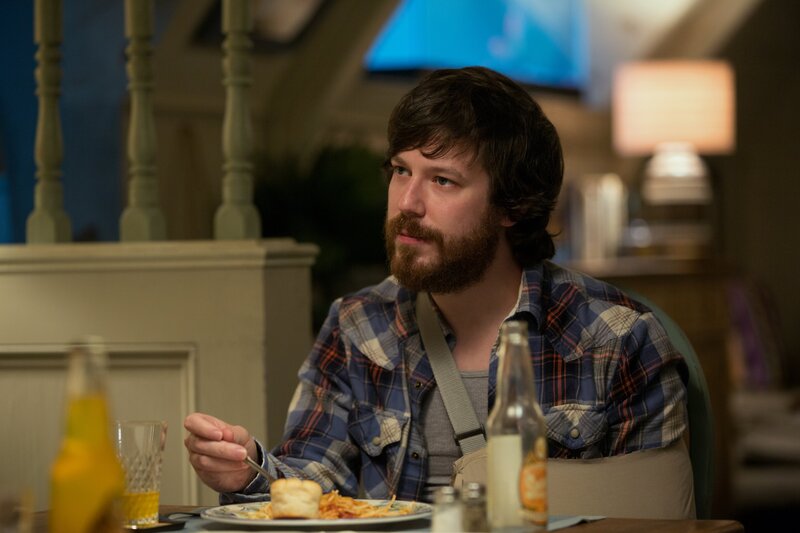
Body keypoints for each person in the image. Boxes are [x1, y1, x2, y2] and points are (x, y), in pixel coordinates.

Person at [184, 66, 689, 507]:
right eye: (401, 171)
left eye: (443, 180)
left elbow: (651, 514)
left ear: (512, 205)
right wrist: (250, 471)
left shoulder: (618, 338)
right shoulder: (358, 325)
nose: (408, 202)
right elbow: (311, 485)